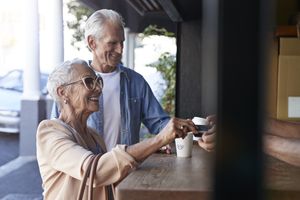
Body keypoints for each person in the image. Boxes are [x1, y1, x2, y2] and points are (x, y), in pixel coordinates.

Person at [50, 9, 217, 152]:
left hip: (126, 176)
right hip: (88, 178)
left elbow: (161, 124)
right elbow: (56, 137)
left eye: (122, 42)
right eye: (113, 43)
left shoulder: (135, 82)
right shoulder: (70, 84)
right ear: (92, 42)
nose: (120, 49)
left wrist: (198, 131)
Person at [37, 58, 197, 200]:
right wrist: (157, 140)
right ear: (63, 92)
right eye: (88, 82)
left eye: (98, 81)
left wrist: (148, 150)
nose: (98, 88)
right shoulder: (50, 132)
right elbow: (95, 172)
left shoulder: (93, 135)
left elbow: (110, 171)